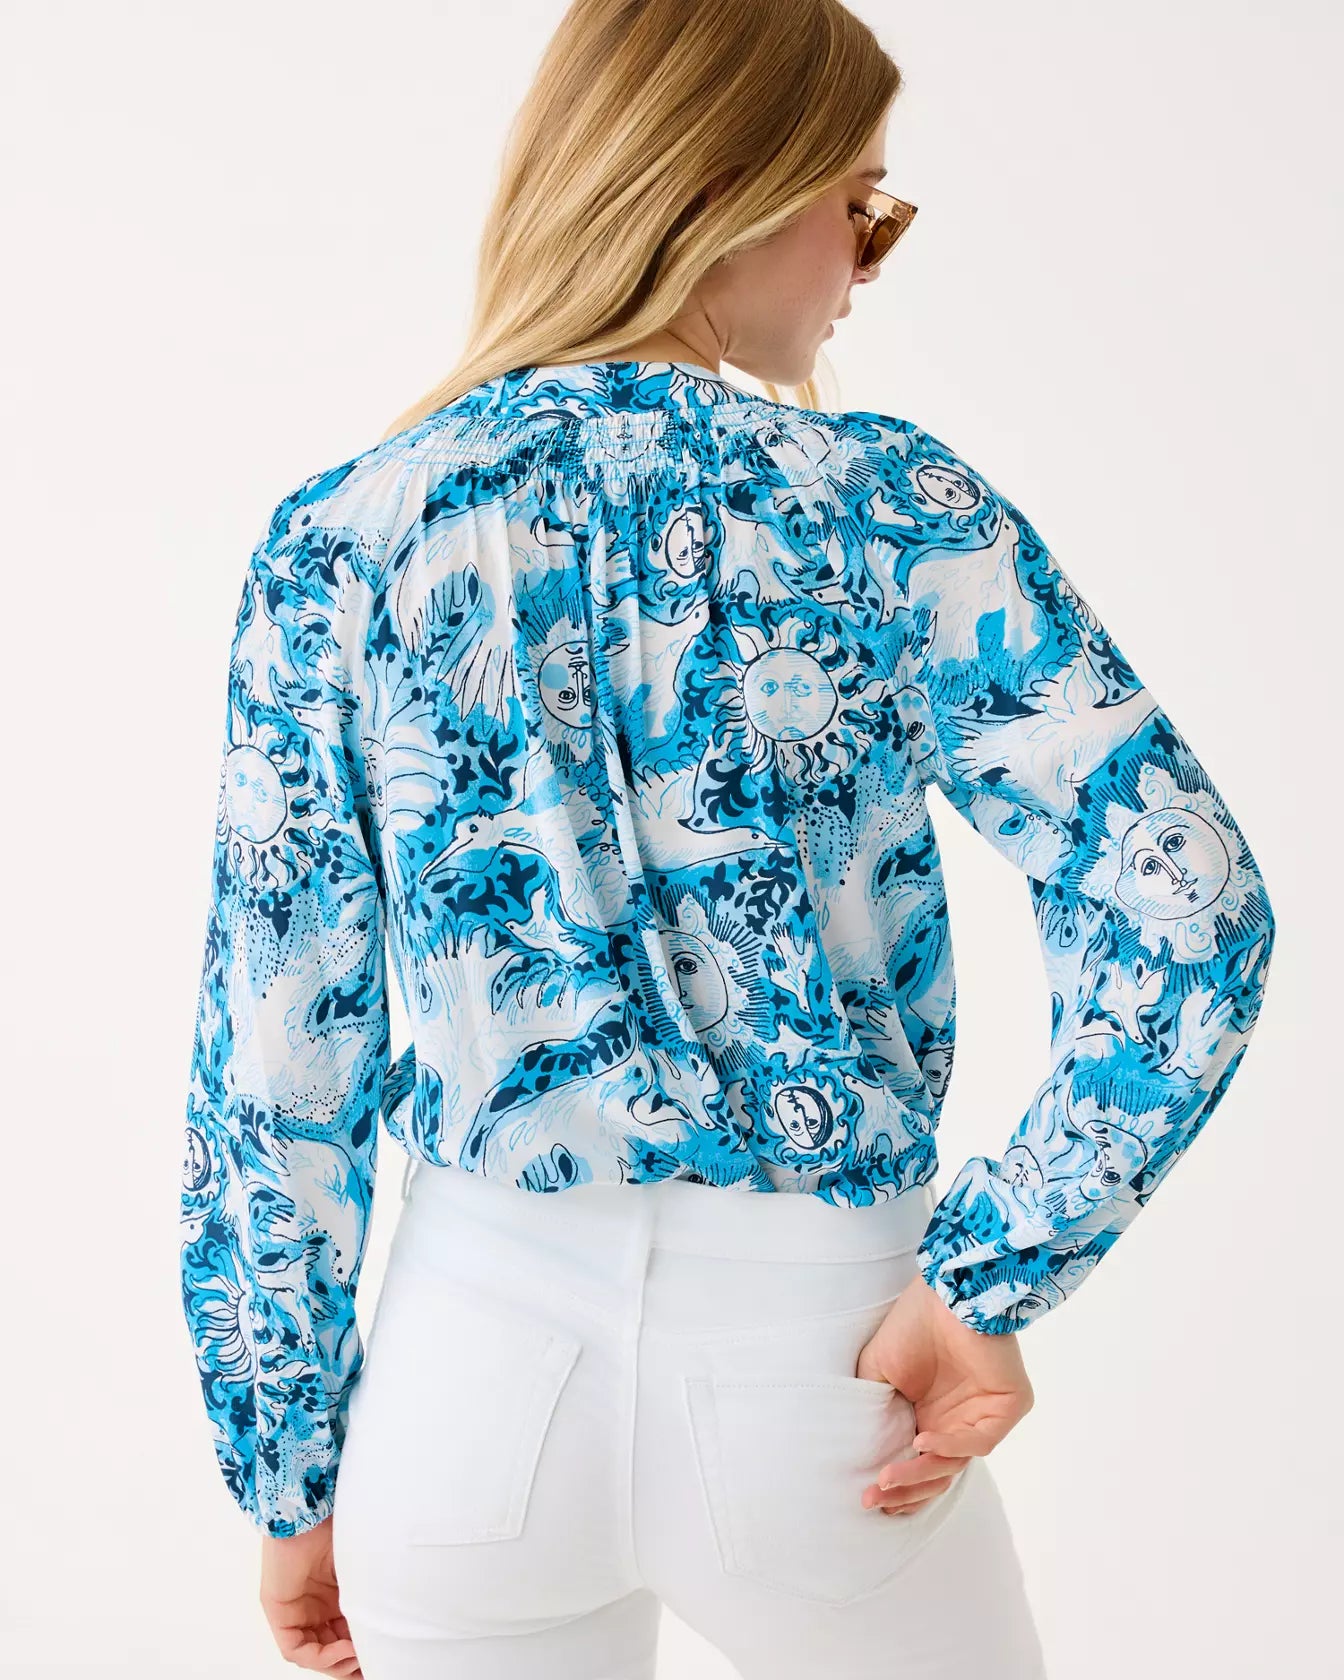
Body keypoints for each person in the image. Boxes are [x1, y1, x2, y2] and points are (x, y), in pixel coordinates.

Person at [178, 1, 1276, 1676]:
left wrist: (290, 1476)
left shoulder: (347, 537)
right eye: (862, 205)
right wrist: (989, 1279)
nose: (866, 264)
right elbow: (1191, 909)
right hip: (819, 1371)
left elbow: (278, 1064)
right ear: (723, 191)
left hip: (468, 1384)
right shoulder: (888, 512)